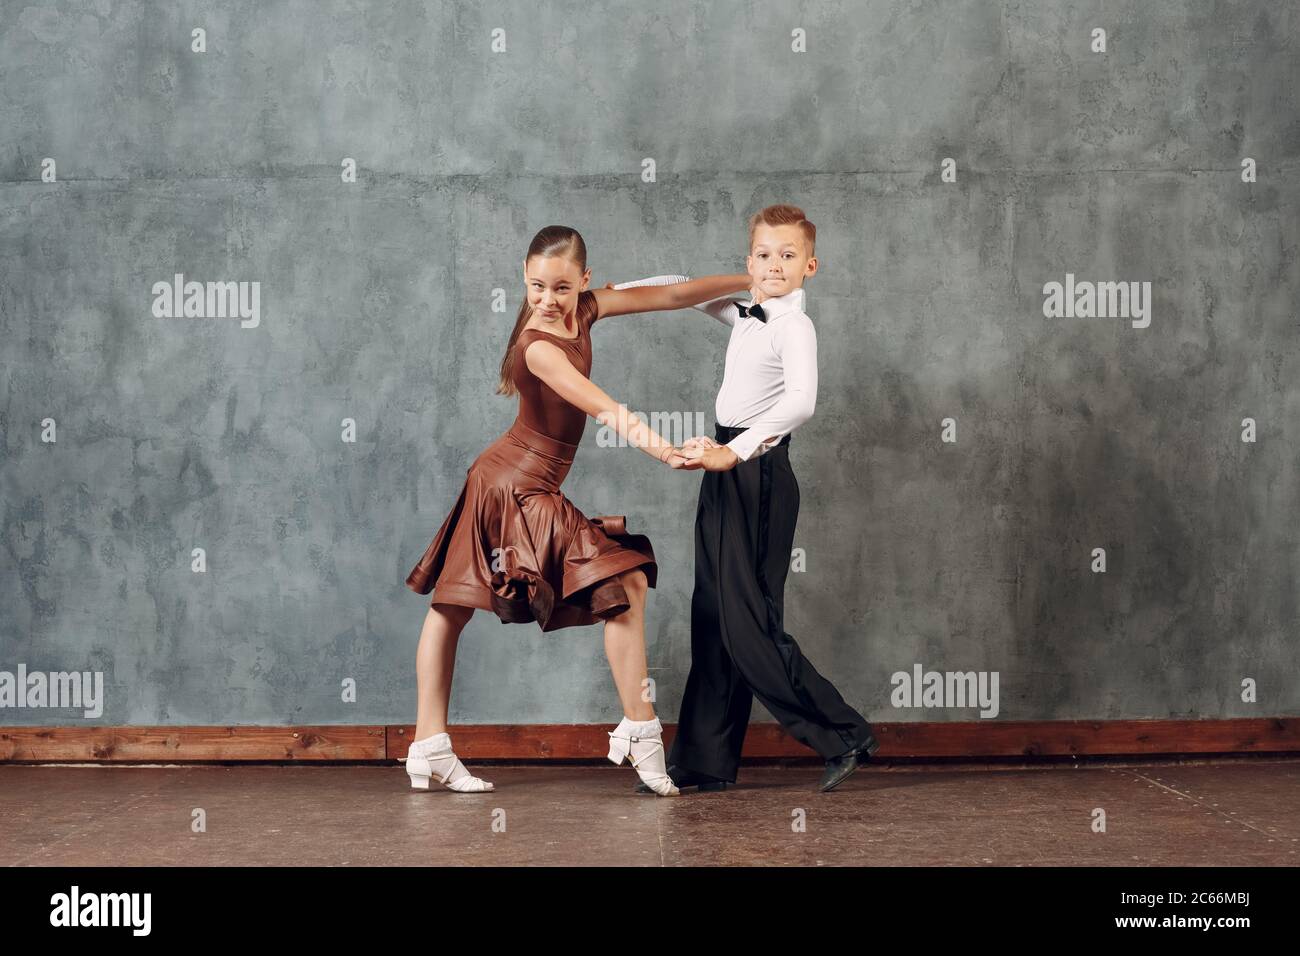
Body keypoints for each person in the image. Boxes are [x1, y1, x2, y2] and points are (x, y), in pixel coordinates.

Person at [401, 224, 751, 796]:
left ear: (583, 281)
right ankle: (637, 729)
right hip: (514, 484)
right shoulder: (537, 346)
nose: (547, 300)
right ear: (524, 277)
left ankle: (429, 745)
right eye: (537, 287)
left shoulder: (585, 311)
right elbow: (602, 405)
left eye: (561, 288)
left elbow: (671, 294)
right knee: (463, 601)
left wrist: (752, 280)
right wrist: (664, 449)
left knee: (459, 605)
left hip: (514, 479)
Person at [618, 204, 880, 794]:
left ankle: (844, 735)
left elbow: (801, 402)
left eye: (788, 256)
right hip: (724, 468)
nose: (774, 265)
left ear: (810, 266)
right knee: (711, 615)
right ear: (747, 262)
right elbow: (677, 292)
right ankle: (703, 761)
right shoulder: (746, 314)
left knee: (749, 622)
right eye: (763, 254)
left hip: (755, 472)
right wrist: (607, 297)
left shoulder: (795, 327)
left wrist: (733, 455)